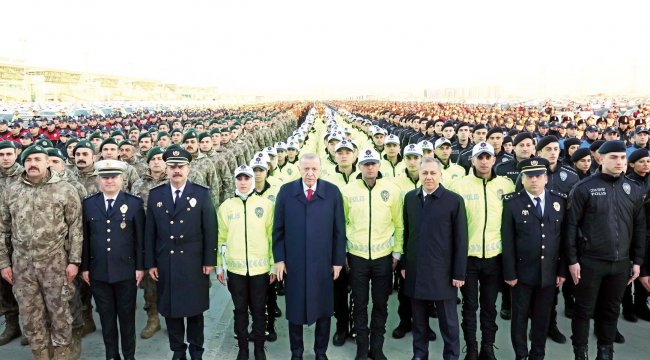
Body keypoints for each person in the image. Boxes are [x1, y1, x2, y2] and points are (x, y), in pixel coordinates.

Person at [0, 145, 83, 359]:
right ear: (23, 163)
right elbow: (2, 228)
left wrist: (74, 261)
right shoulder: (12, 190)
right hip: (22, 264)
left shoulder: (65, 189)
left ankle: (63, 353)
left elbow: (76, 228)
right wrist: (4, 263)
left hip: (55, 261)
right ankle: (41, 354)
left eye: (38, 159)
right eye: (29, 160)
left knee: (60, 313)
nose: (33, 163)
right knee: (30, 314)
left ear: (48, 162)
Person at [565, 140, 646, 360]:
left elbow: (639, 226)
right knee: (583, 311)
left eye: (622, 157)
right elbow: (570, 226)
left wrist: (637, 260)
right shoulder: (584, 188)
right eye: (613, 157)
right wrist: (572, 261)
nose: (619, 162)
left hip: (621, 264)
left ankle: (605, 351)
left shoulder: (634, 189)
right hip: (590, 262)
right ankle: (580, 353)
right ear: (600, 159)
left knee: (611, 312)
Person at [144, 148, 218, 360]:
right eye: (173, 167)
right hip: (166, 260)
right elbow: (150, 232)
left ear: (188, 168)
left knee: (195, 310)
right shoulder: (156, 195)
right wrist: (151, 262)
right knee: (170, 308)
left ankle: (196, 350)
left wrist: (209, 260)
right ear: (166, 169)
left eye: (180, 166)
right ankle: (178, 350)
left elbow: (210, 229)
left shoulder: (201, 193)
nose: (177, 170)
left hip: (193, 261)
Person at [272, 153, 347, 360]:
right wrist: (279, 259)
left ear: (320, 169)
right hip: (294, 263)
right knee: (295, 309)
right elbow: (278, 229)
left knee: (324, 310)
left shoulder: (331, 192)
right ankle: (296, 352)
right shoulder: (287, 192)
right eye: (306, 169)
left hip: (323, 264)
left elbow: (339, 230)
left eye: (314, 169)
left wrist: (337, 261)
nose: (310, 173)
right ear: (299, 169)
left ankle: (320, 352)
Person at [448, 142, 515, 360]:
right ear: (472, 160)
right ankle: (472, 347)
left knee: (489, 306)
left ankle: (488, 346)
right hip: (468, 259)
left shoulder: (506, 185)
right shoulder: (459, 186)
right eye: (480, 157)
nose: (484, 161)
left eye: (488, 157)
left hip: (494, 258)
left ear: (494, 159)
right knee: (469, 306)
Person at [402, 157, 468, 360]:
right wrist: (404, 264)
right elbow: (407, 234)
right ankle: (420, 354)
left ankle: (451, 355)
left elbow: (461, 239)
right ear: (419, 175)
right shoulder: (410, 198)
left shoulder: (454, 200)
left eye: (433, 173)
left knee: (448, 322)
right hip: (416, 269)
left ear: (440, 175)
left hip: (443, 271)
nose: (428, 177)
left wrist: (459, 272)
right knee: (419, 319)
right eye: (425, 173)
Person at [501, 157, 567, 360]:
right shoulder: (512, 203)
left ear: (546, 178)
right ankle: (521, 355)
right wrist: (510, 273)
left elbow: (563, 239)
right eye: (529, 176)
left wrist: (562, 271)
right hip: (521, 274)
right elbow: (508, 241)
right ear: (522, 179)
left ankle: (538, 355)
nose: (534, 180)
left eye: (538, 176)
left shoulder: (559, 201)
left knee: (542, 318)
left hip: (548, 273)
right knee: (519, 318)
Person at [342, 148, 404, 360]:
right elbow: (341, 224)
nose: (370, 167)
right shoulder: (349, 190)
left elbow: (399, 224)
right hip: (357, 258)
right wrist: (343, 252)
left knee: (381, 304)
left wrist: (397, 252)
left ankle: (376, 347)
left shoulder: (392, 190)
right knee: (359, 304)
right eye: (366, 163)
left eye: (373, 163)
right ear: (359, 166)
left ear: (379, 166)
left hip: (383, 258)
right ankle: (362, 347)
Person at [81, 160, 146, 360]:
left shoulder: (134, 203)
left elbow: (140, 239)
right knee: (107, 320)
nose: (109, 181)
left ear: (122, 178)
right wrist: (85, 267)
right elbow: (85, 238)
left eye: (113, 177)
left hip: (126, 271)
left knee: (127, 319)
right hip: (99, 271)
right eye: (105, 177)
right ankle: (112, 355)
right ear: (99, 179)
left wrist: (140, 267)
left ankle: (129, 356)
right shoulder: (89, 204)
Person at [217, 164, 275, 360]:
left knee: (259, 310)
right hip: (236, 270)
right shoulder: (226, 207)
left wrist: (274, 264)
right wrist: (219, 265)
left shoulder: (265, 205)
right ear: (235, 181)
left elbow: (272, 237)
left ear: (253, 180)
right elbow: (220, 238)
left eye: (247, 178)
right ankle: (243, 348)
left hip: (260, 269)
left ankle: (259, 348)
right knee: (240, 311)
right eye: (239, 179)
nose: (243, 183)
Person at [0, 140, 24, 346]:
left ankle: (29, 325)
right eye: (1, 154)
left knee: (25, 285)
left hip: (21, 238)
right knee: (4, 285)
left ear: (16, 153)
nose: (5, 158)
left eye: (9, 154)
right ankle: (12, 325)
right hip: (1, 237)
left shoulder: (25, 174)